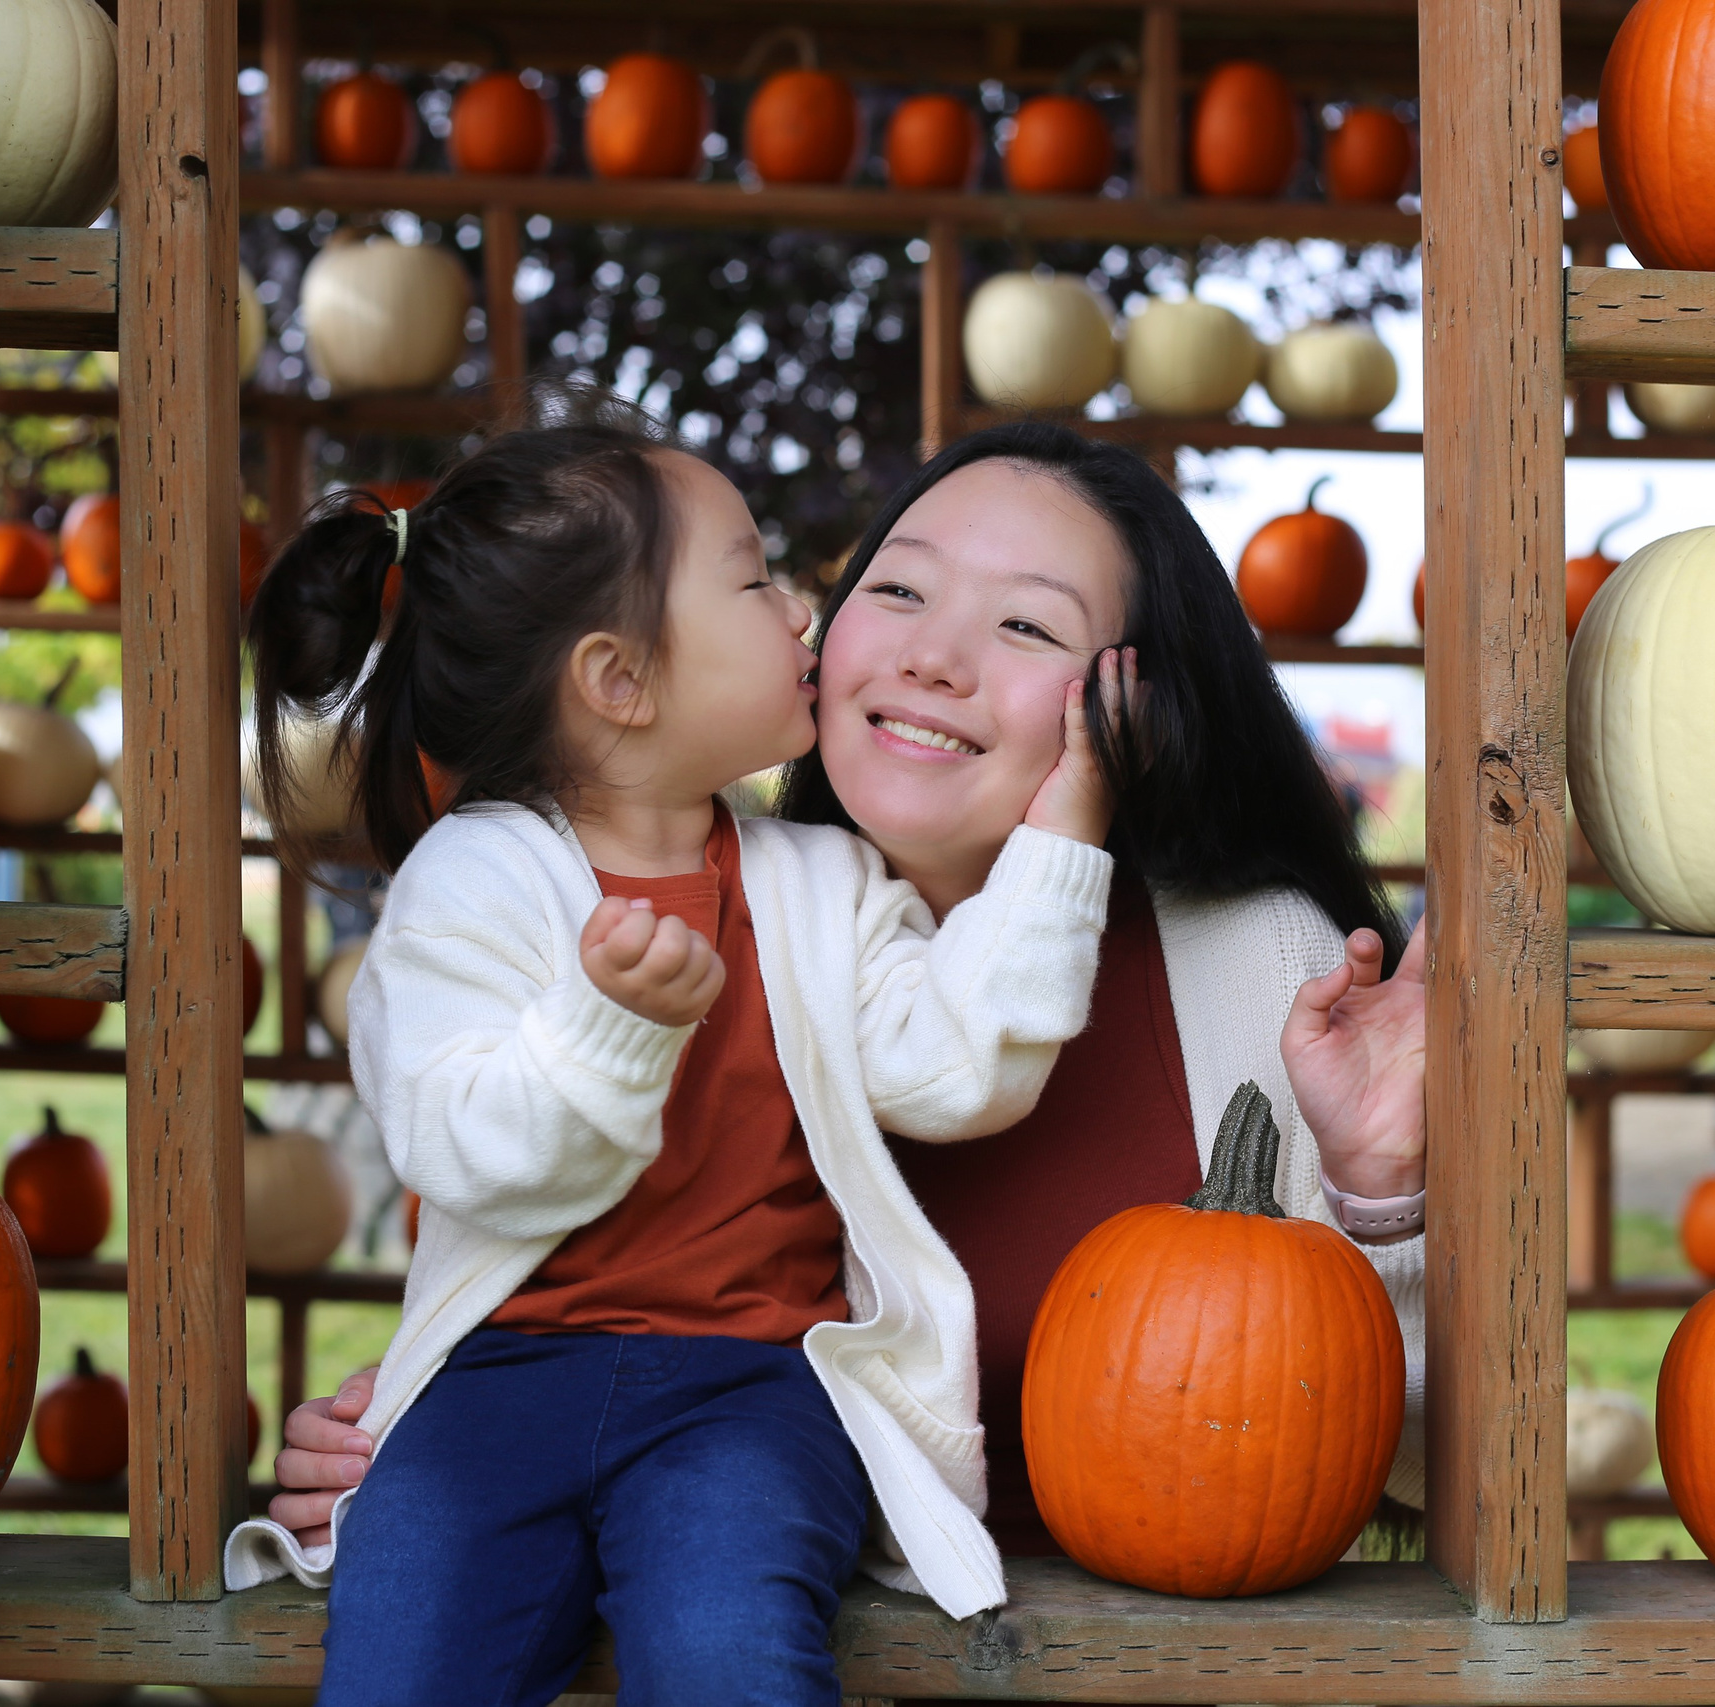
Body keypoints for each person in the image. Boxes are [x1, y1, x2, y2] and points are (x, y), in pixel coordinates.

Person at [268, 421, 1429, 1567]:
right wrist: (421, 1416)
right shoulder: (678, 933)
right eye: (900, 591)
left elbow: (1417, 1465)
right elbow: (590, 1310)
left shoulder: (1262, 964)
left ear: (1143, 707)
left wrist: (1377, 1193)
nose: (933, 657)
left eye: (1026, 625)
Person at [222, 415, 1127, 1707]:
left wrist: (1063, 839)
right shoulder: (467, 886)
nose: (803, 609)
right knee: (403, 1641)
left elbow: (954, 1068)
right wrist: (612, 1025)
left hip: (752, 1391)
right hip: (503, 1374)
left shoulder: (825, 885)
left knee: (726, 1644)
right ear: (620, 679)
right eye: (754, 580)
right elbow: (459, 1144)